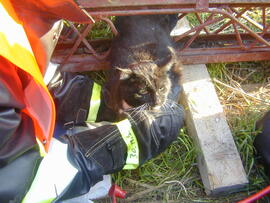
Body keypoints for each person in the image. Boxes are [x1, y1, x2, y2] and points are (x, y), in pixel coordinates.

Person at [0, 0, 185, 202]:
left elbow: (20, 70)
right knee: (160, 126)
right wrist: (97, 154)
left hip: (16, 122)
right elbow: (17, 186)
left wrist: (104, 102)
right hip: (28, 183)